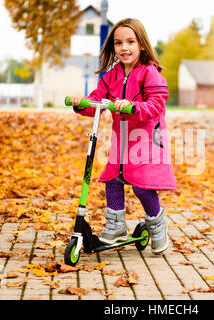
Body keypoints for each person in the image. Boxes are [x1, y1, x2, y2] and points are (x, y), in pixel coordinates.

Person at [68, 18, 176, 254]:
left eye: (130, 42)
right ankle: (116, 226)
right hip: (122, 138)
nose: (124, 48)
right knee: (113, 178)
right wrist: (81, 103)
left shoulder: (150, 74)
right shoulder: (111, 76)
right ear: (113, 47)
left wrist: (134, 107)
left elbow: (157, 104)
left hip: (146, 138)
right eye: (118, 43)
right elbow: (97, 101)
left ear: (142, 45)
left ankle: (156, 222)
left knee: (142, 185)